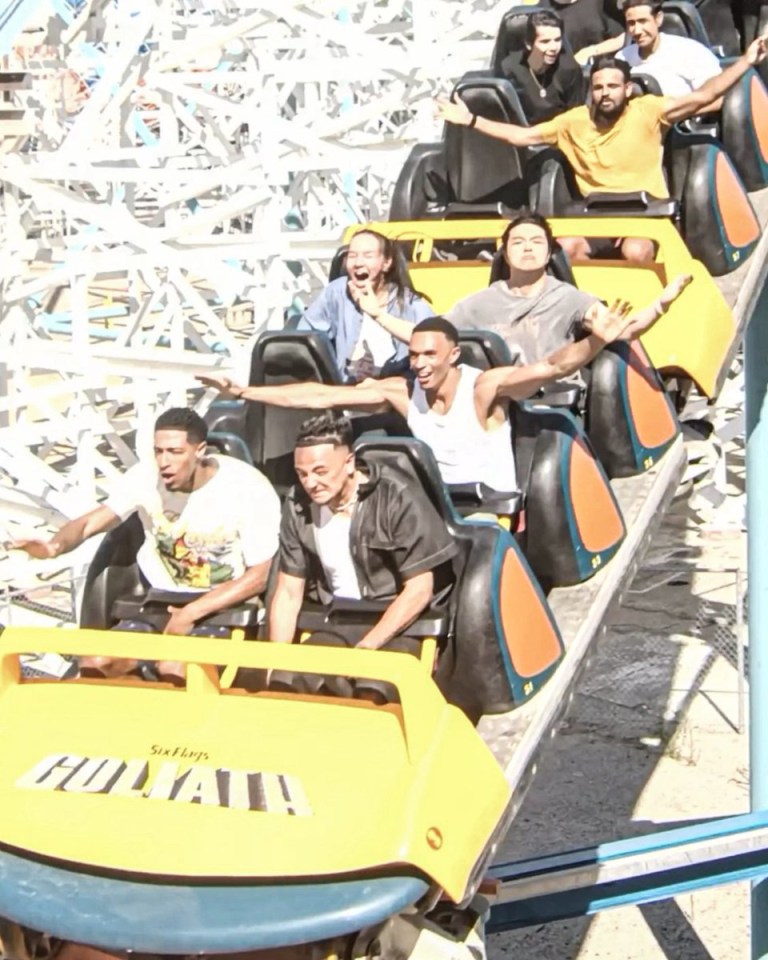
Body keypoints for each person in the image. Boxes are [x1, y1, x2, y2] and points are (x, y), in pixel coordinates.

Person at [197, 308, 671, 499]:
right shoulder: (401, 391)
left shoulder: (483, 387)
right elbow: (320, 396)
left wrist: (594, 344)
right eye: (414, 355)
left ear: (453, 355)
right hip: (430, 504)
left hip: (485, 505)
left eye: (429, 355)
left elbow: (548, 368)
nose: (419, 363)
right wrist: (244, 392)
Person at [435, 35, 768, 262]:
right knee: (565, 249)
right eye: (598, 88)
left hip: (643, 217)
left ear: (627, 89)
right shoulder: (572, 122)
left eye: (612, 86)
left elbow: (703, 97)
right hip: (593, 219)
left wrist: (745, 62)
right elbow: (523, 137)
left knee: (636, 253)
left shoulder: (648, 111)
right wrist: (471, 120)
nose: (605, 93)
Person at [11, 407, 281, 680]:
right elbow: (92, 522)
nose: (164, 462)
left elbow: (259, 576)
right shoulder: (145, 477)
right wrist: (52, 547)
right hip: (159, 602)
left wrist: (191, 613)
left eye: (175, 452)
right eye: (158, 451)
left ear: (199, 451)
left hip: (221, 608)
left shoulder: (246, 487)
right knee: (96, 662)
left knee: (176, 669)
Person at [267, 411, 458, 702]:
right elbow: (289, 592)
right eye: (302, 474)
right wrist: (275, 662)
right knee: (288, 683)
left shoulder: (397, 497)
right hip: (338, 620)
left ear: (349, 463)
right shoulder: (297, 505)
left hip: (396, 625)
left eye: (320, 471)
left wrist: (368, 647)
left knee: (370, 690)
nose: (310, 483)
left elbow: (419, 590)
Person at [446, 213, 692, 364]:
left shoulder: (569, 299)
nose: (528, 248)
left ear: (549, 254)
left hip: (550, 400)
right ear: (506, 255)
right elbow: (434, 334)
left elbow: (624, 330)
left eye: (537, 242)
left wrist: (661, 304)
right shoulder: (478, 303)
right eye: (518, 242)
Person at [298, 228, 434, 382]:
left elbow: (432, 340)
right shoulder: (336, 293)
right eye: (352, 255)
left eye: (368, 256)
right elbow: (301, 337)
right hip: (347, 389)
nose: (358, 263)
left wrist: (378, 315)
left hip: (393, 389)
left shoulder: (410, 302)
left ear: (386, 263)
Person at [617, 0, 722, 95]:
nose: (637, 31)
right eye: (631, 23)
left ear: (658, 19)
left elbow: (716, 96)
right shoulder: (622, 58)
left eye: (643, 21)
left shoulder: (691, 52)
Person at [499, 10, 585, 123]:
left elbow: (576, 115)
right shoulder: (510, 68)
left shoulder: (569, 68)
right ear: (529, 44)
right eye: (545, 42)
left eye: (558, 40)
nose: (554, 47)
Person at [547, 0, 623, 64]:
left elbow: (623, 37)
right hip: (567, 76)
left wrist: (590, 51)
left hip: (605, 72)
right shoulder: (542, 9)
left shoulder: (599, 2)